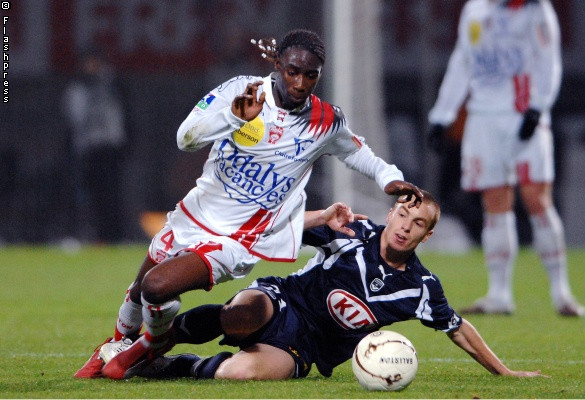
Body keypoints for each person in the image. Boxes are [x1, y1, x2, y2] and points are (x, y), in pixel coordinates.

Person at [74, 29, 423, 380]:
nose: (300, 83)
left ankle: (150, 346)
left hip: (238, 239)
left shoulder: (325, 121)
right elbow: (185, 139)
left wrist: (389, 178)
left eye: (311, 75)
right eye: (293, 72)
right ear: (277, 64)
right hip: (195, 214)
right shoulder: (240, 90)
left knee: (156, 287)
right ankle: (116, 344)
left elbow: (359, 152)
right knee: (139, 292)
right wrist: (234, 117)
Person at [99, 192, 545, 381]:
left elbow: (458, 328)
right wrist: (320, 217)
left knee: (239, 374)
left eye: (418, 224)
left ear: (426, 236)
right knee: (241, 316)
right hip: (283, 300)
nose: (406, 226)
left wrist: (504, 373)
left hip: (307, 347)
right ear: (391, 213)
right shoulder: (354, 232)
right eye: (403, 215)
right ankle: (153, 343)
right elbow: (285, 228)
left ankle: (170, 367)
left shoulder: (422, 288)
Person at [427, 0, 585, 316]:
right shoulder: (475, 9)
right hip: (483, 118)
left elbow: (549, 61)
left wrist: (538, 107)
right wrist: (442, 114)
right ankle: (499, 294)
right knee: (495, 202)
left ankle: (561, 292)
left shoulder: (535, 10)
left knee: (537, 199)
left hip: (521, 114)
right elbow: (463, 61)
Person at [62, 49, 128, 243]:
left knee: (112, 194)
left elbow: (123, 117)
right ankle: (90, 234)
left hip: (110, 149)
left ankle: (114, 235)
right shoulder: (77, 89)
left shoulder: (113, 85)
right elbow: (74, 120)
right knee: (89, 195)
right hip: (88, 150)